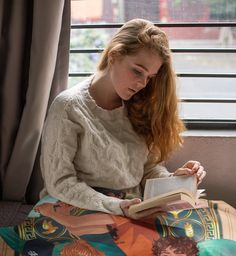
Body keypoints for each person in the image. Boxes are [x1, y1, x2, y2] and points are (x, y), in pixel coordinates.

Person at [40, 18, 206, 219]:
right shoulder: (68, 107)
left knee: (204, 244)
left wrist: (174, 181)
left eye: (149, 77)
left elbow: (147, 169)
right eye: (137, 71)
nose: (142, 84)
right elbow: (60, 182)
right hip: (78, 209)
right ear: (114, 56)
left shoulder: (139, 104)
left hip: (131, 210)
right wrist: (118, 206)